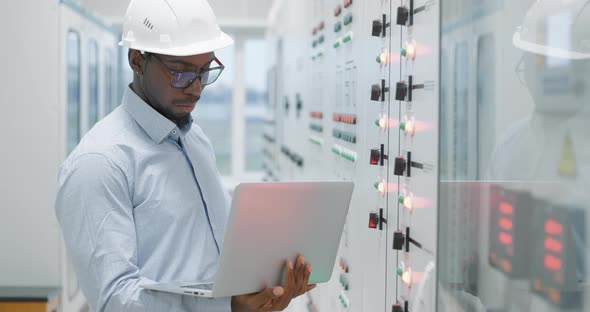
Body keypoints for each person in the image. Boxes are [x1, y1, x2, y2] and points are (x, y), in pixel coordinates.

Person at [55, 0, 315, 311]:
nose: (196, 88)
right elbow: (115, 300)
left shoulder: (195, 141)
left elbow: (217, 255)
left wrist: (266, 289)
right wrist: (227, 306)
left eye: (205, 71)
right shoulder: (100, 163)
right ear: (137, 59)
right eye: (180, 73)